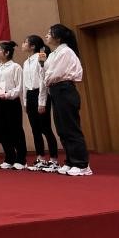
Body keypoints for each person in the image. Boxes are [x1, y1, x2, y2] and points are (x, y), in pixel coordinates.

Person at [43, 24, 92, 176]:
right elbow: (47, 73)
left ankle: (82, 164)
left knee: (71, 128)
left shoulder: (65, 51)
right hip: (55, 90)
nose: (46, 35)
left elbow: (54, 74)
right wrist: (46, 75)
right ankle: (71, 161)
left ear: (58, 37)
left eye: (50, 33)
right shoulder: (53, 54)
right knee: (62, 129)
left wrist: (47, 77)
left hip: (65, 89)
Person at [21, 35, 59, 172]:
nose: (23, 44)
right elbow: (25, 84)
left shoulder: (41, 57)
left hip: (41, 93)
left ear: (33, 46)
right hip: (30, 95)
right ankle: (40, 158)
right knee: (35, 129)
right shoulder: (26, 62)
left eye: (25, 42)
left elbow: (43, 80)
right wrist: (25, 101)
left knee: (46, 128)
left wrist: (42, 101)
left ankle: (54, 160)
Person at [0, 41, 26, 170]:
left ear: (7, 52)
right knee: (2, 130)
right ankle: (9, 157)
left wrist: (7, 95)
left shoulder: (16, 67)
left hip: (11, 102)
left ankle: (21, 159)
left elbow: (19, 87)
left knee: (16, 130)